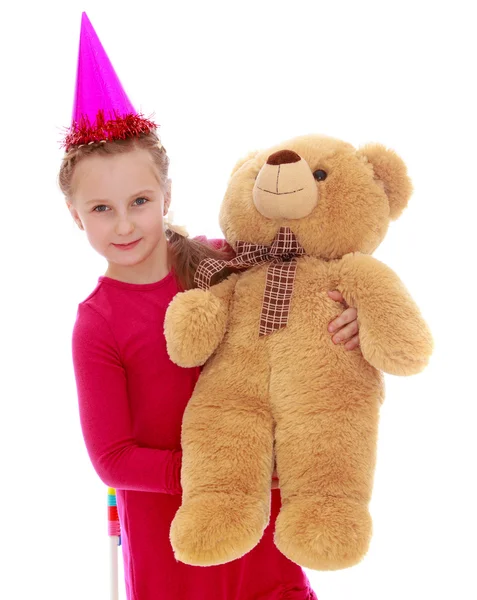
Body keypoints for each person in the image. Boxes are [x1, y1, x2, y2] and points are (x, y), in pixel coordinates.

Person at [60, 12, 361, 600]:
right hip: (172, 532)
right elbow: (113, 458)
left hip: (262, 515)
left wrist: (350, 322)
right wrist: (214, 475)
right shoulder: (97, 323)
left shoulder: (226, 263)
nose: (124, 224)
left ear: (166, 195)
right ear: (76, 215)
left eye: (140, 200)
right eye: (101, 209)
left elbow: (305, 299)